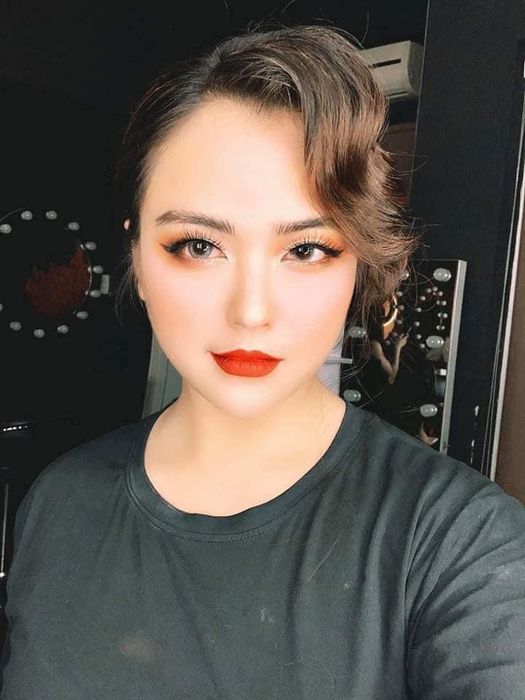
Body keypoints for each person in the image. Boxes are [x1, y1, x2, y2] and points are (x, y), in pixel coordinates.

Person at [1, 23, 525, 699]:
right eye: (198, 245)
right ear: (136, 257)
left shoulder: (461, 547)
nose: (251, 311)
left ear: (357, 264)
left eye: (306, 250)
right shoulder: (59, 501)